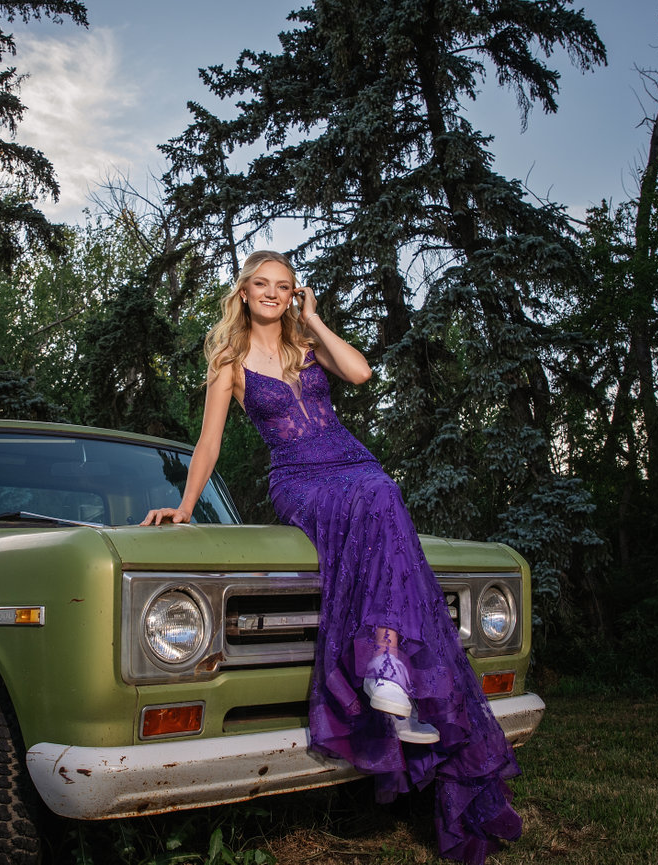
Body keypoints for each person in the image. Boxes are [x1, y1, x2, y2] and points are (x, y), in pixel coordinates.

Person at [142, 250, 522, 864]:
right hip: (299, 478)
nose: (272, 293)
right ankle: (385, 667)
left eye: (283, 286)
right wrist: (186, 507)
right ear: (244, 292)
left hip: (353, 463)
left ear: (294, 293)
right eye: (261, 284)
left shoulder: (306, 344)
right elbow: (209, 440)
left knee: (383, 495)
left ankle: (390, 666)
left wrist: (314, 320)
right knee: (380, 501)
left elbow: (361, 373)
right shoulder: (229, 361)